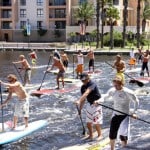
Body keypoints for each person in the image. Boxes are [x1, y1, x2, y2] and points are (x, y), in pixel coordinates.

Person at [95, 76, 139, 150]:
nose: (115, 87)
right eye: (114, 85)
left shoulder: (128, 92)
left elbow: (136, 101)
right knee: (112, 133)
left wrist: (134, 112)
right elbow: (105, 96)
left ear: (122, 84)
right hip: (115, 114)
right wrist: (98, 101)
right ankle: (112, 148)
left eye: (117, 85)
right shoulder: (113, 90)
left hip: (124, 115)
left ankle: (124, 147)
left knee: (123, 135)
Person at [74, 73, 103, 141]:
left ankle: (100, 135)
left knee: (96, 122)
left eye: (84, 80)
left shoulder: (92, 84)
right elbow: (83, 99)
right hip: (89, 104)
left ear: (88, 78)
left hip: (97, 104)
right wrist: (80, 110)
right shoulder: (82, 87)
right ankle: (91, 135)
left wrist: (78, 100)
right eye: (82, 80)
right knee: (88, 122)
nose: (83, 82)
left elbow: (87, 93)